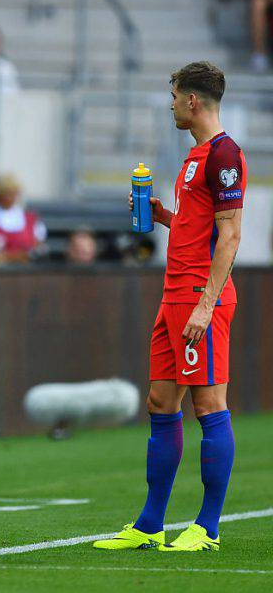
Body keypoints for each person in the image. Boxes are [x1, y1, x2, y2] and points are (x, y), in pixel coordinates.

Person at [94, 61, 245, 552]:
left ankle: (208, 526)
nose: (172, 104)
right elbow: (198, 227)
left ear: (193, 101)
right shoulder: (193, 157)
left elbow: (229, 236)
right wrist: (164, 217)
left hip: (201, 297)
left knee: (209, 405)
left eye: (175, 96)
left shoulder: (224, 154)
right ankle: (150, 524)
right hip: (173, 295)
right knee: (161, 403)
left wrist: (206, 305)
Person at [0, 173, 47, 265]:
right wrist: (19, 256)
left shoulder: (31, 220)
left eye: (13, 193)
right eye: (6, 193)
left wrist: (5, 256)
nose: (10, 197)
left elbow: (38, 252)